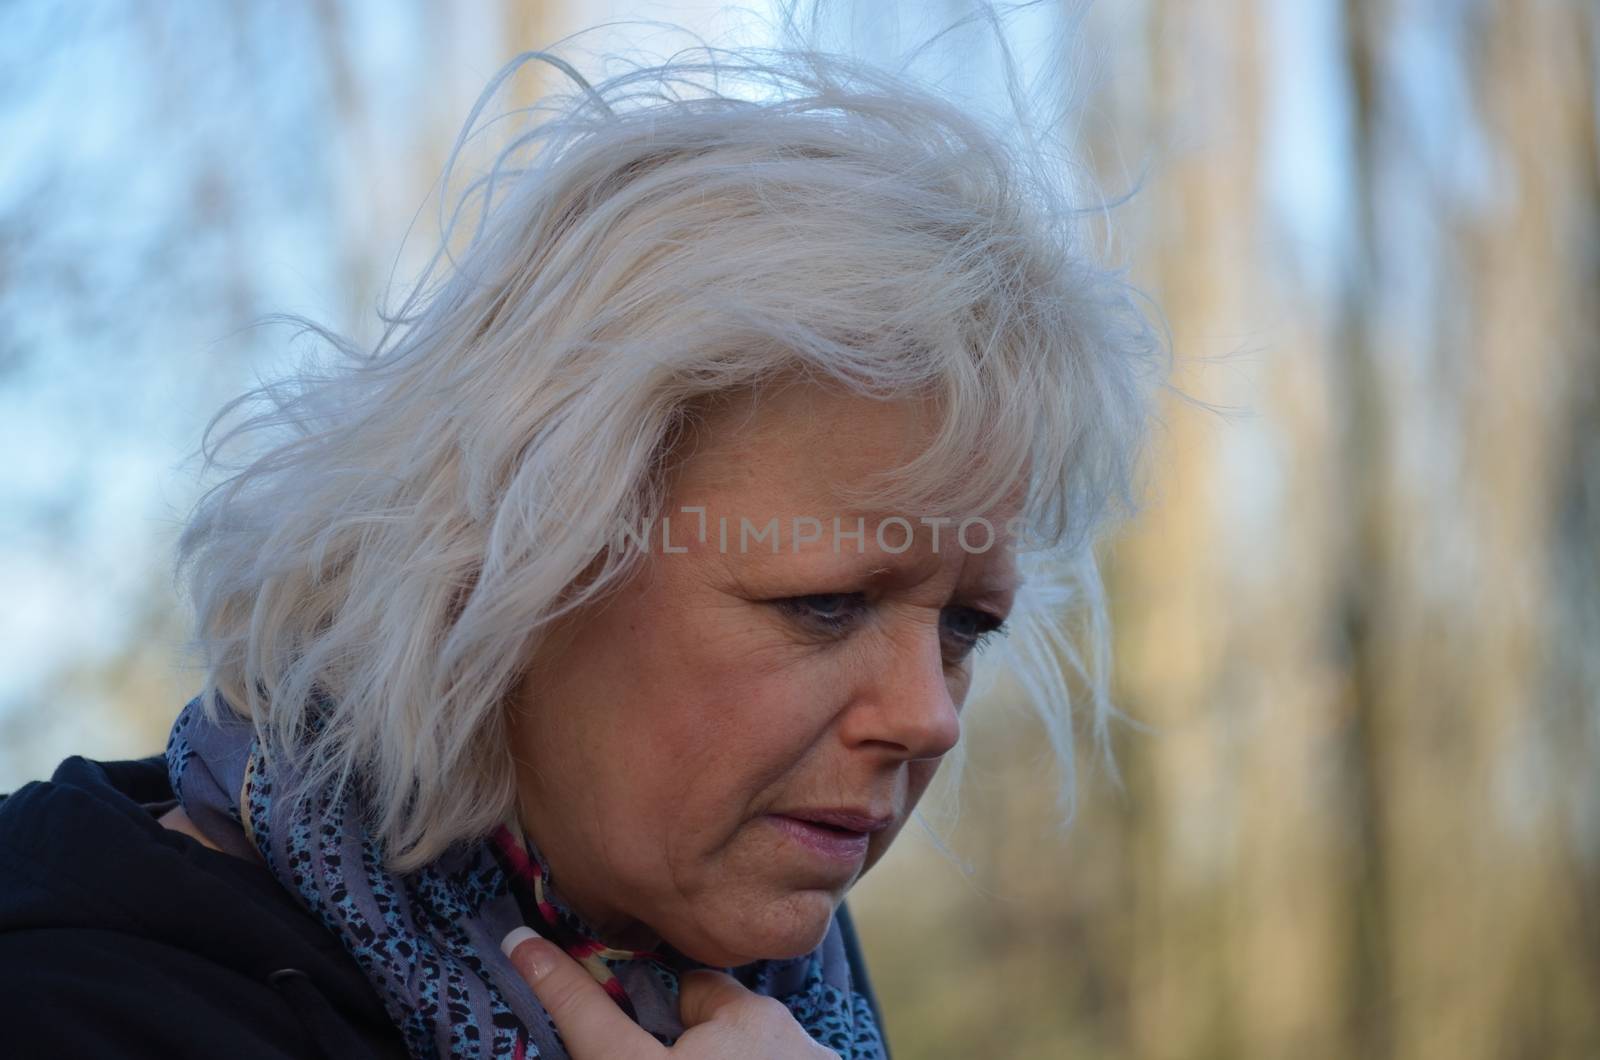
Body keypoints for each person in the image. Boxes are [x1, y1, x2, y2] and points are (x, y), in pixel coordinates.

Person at [0, 10, 1165, 1059]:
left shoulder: (770, 982)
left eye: (966, 625)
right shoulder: (86, 1003)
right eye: (826, 602)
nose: (930, 715)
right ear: (512, 563)